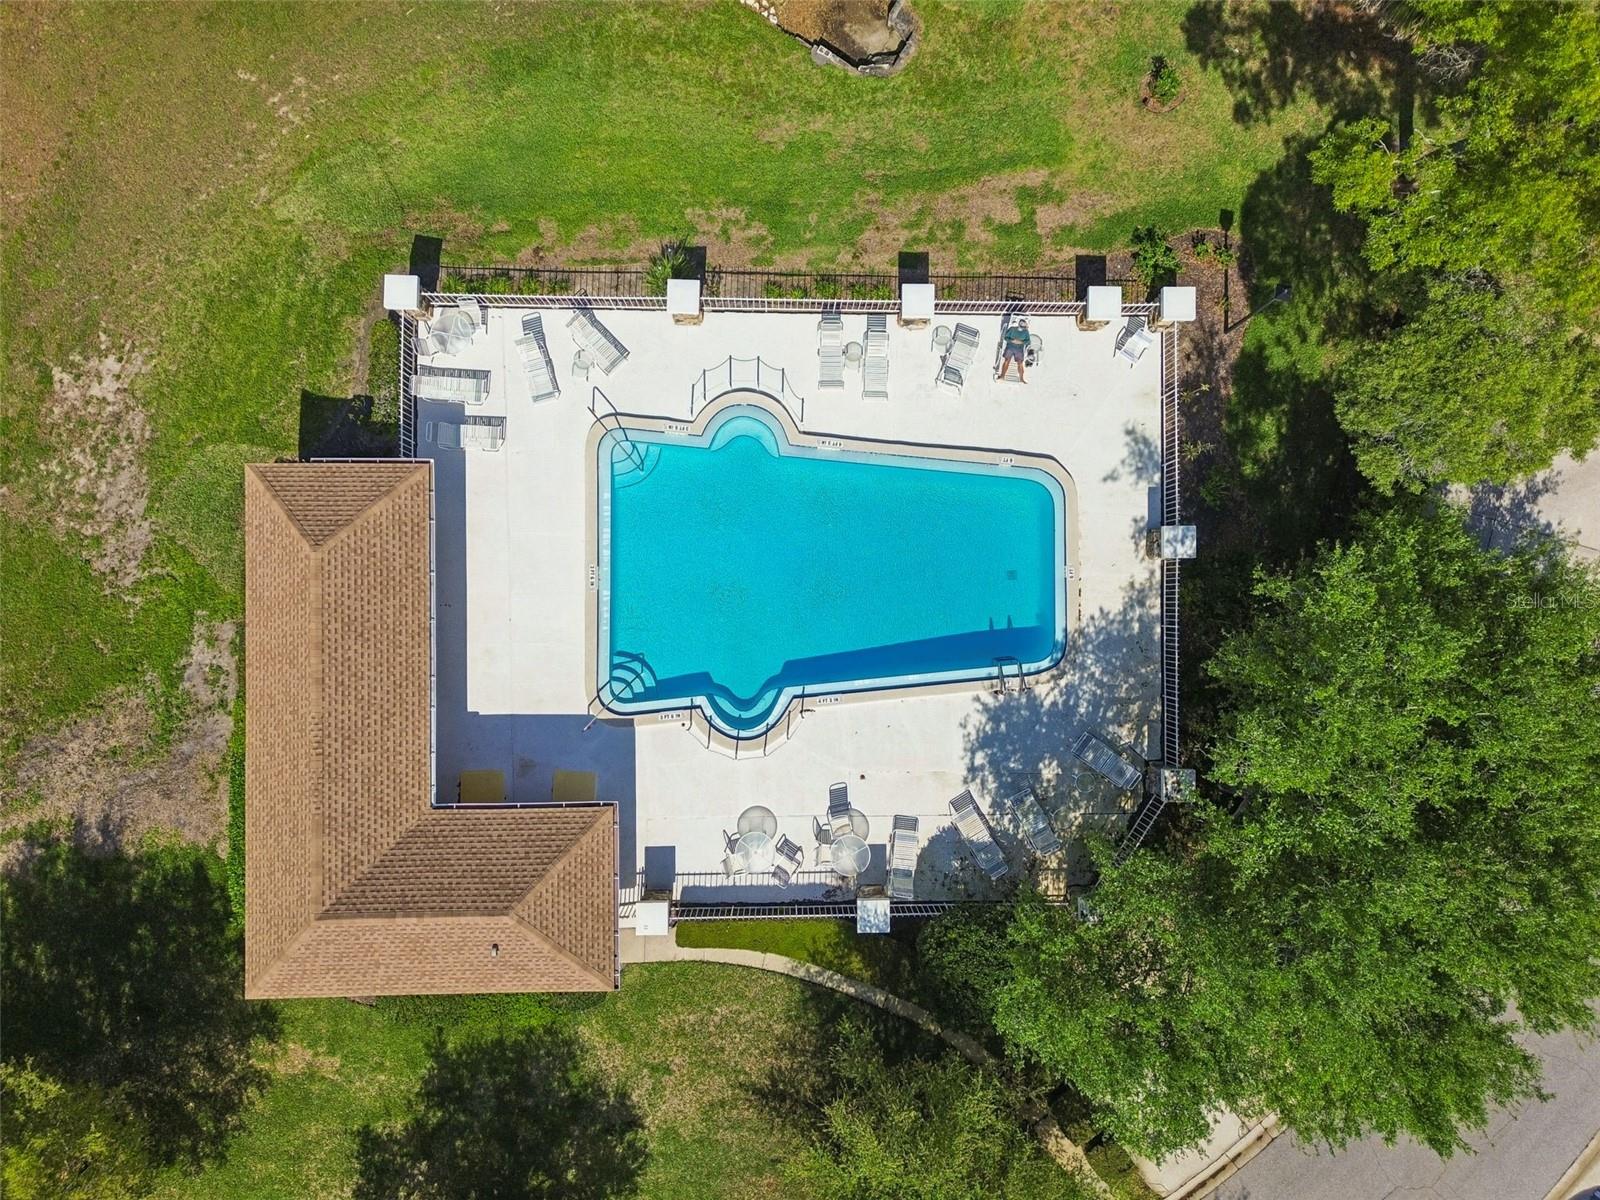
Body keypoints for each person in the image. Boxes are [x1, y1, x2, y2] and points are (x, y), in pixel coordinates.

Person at [997, 318, 1030, 382]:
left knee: (1020, 363)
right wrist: (1012, 340)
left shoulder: (1026, 332)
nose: (1023, 328)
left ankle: (1021, 378)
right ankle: (1002, 376)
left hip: (1019, 349)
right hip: (1010, 346)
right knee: (1007, 360)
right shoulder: (1012, 329)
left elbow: (1028, 341)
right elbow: (1006, 338)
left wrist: (1021, 342)